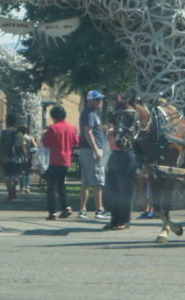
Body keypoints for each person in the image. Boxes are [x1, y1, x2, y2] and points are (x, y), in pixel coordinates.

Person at [102, 95, 137, 230]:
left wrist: (114, 130)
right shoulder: (114, 116)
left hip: (125, 153)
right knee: (112, 190)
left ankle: (124, 220)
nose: (111, 102)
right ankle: (114, 219)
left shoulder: (128, 116)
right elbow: (106, 128)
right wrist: (107, 128)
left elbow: (128, 133)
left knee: (124, 190)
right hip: (112, 154)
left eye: (113, 100)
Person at [40, 104, 78, 220]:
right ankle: (66, 207)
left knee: (51, 186)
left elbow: (46, 143)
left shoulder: (53, 128)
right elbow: (76, 142)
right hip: (66, 161)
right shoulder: (71, 128)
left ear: (53, 116)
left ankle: (52, 212)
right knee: (61, 185)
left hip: (54, 159)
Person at [77, 90, 109, 220]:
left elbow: (93, 131)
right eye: (97, 100)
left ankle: (82, 210)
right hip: (91, 151)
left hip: (86, 150)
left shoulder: (90, 114)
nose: (99, 102)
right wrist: (96, 149)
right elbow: (88, 132)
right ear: (90, 101)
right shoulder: (89, 114)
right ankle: (99, 209)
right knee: (97, 180)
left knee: (85, 182)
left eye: (100, 99)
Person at [0, 113, 27, 202]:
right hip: (16, 158)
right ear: (15, 122)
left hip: (6, 158)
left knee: (7, 177)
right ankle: (13, 188)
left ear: (6, 122)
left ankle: (10, 193)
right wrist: (25, 156)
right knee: (16, 176)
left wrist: (0, 157)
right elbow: (22, 146)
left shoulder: (3, 133)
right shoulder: (18, 133)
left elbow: (0, 146)